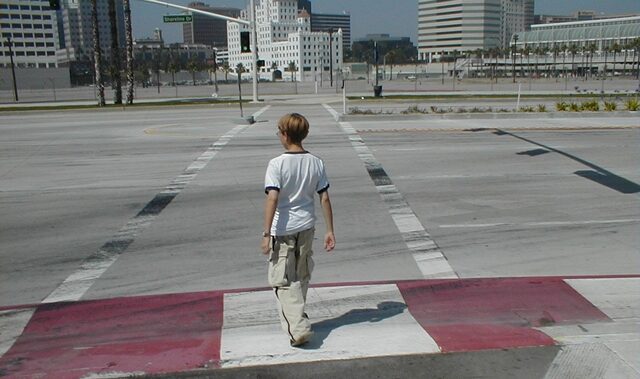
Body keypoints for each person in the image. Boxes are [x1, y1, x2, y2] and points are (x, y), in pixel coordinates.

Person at [261, 113, 335, 347]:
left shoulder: (277, 164)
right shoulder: (316, 162)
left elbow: (272, 198)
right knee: (301, 275)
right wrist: (329, 230)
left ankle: (298, 327)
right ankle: (298, 318)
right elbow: (324, 198)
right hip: (307, 226)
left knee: (281, 281)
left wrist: (266, 233)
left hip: (282, 229)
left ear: (284, 134)